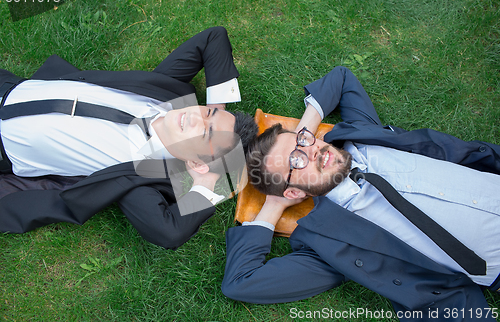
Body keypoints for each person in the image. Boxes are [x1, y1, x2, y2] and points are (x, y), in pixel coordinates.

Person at [221, 66, 500, 321]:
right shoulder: (331, 245)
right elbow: (240, 281)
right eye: (296, 160)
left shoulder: (361, 135)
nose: (311, 150)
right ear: (293, 190)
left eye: (302, 141)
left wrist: (303, 129)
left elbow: (341, 78)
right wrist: (274, 204)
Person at [0, 27, 258, 250]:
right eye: (207, 114)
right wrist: (218, 109)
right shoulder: (166, 91)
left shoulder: (138, 177)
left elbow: (169, 232)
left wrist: (206, 184)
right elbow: (214, 37)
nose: (195, 117)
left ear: (197, 163)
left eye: (206, 132)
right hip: (9, 87)